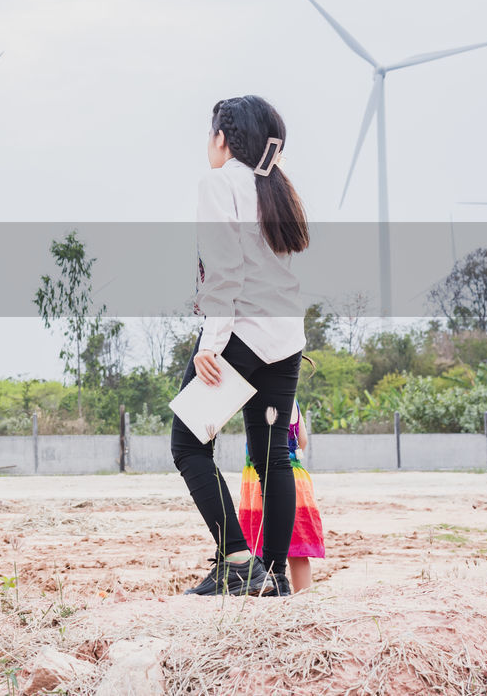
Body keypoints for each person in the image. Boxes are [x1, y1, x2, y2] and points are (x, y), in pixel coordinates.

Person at [172, 95, 309, 598]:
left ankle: (235, 559)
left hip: (239, 336)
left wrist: (211, 343)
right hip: (286, 338)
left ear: (224, 139)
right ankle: (272, 577)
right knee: (273, 455)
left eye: (211, 134)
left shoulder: (220, 182)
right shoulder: (277, 188)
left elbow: (225, 271)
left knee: (188, 446)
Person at [237, 398, 325, 592]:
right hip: (296, 479)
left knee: (260, 547)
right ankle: (303, 598)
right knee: (298, 550)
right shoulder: (292, 400)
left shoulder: (255, 397)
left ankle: (267, 596)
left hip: (260, 480)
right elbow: (302, 441)